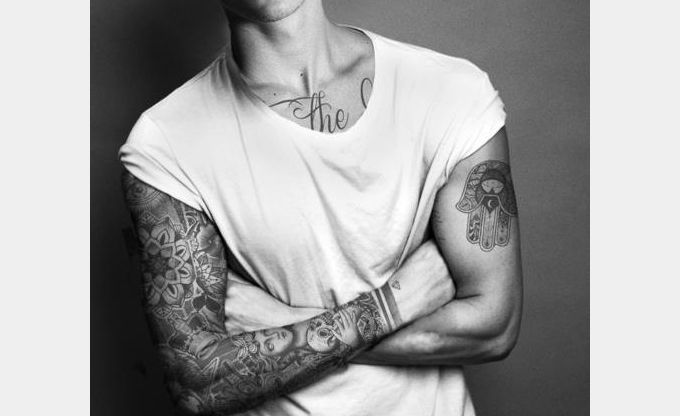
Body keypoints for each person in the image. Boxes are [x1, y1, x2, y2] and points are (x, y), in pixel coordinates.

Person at [119, 0, 523, 415]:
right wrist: (391, 306)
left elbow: (494, 328)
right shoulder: (165, 144)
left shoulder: (450, 93)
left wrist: (278, 326)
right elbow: (197, 383)